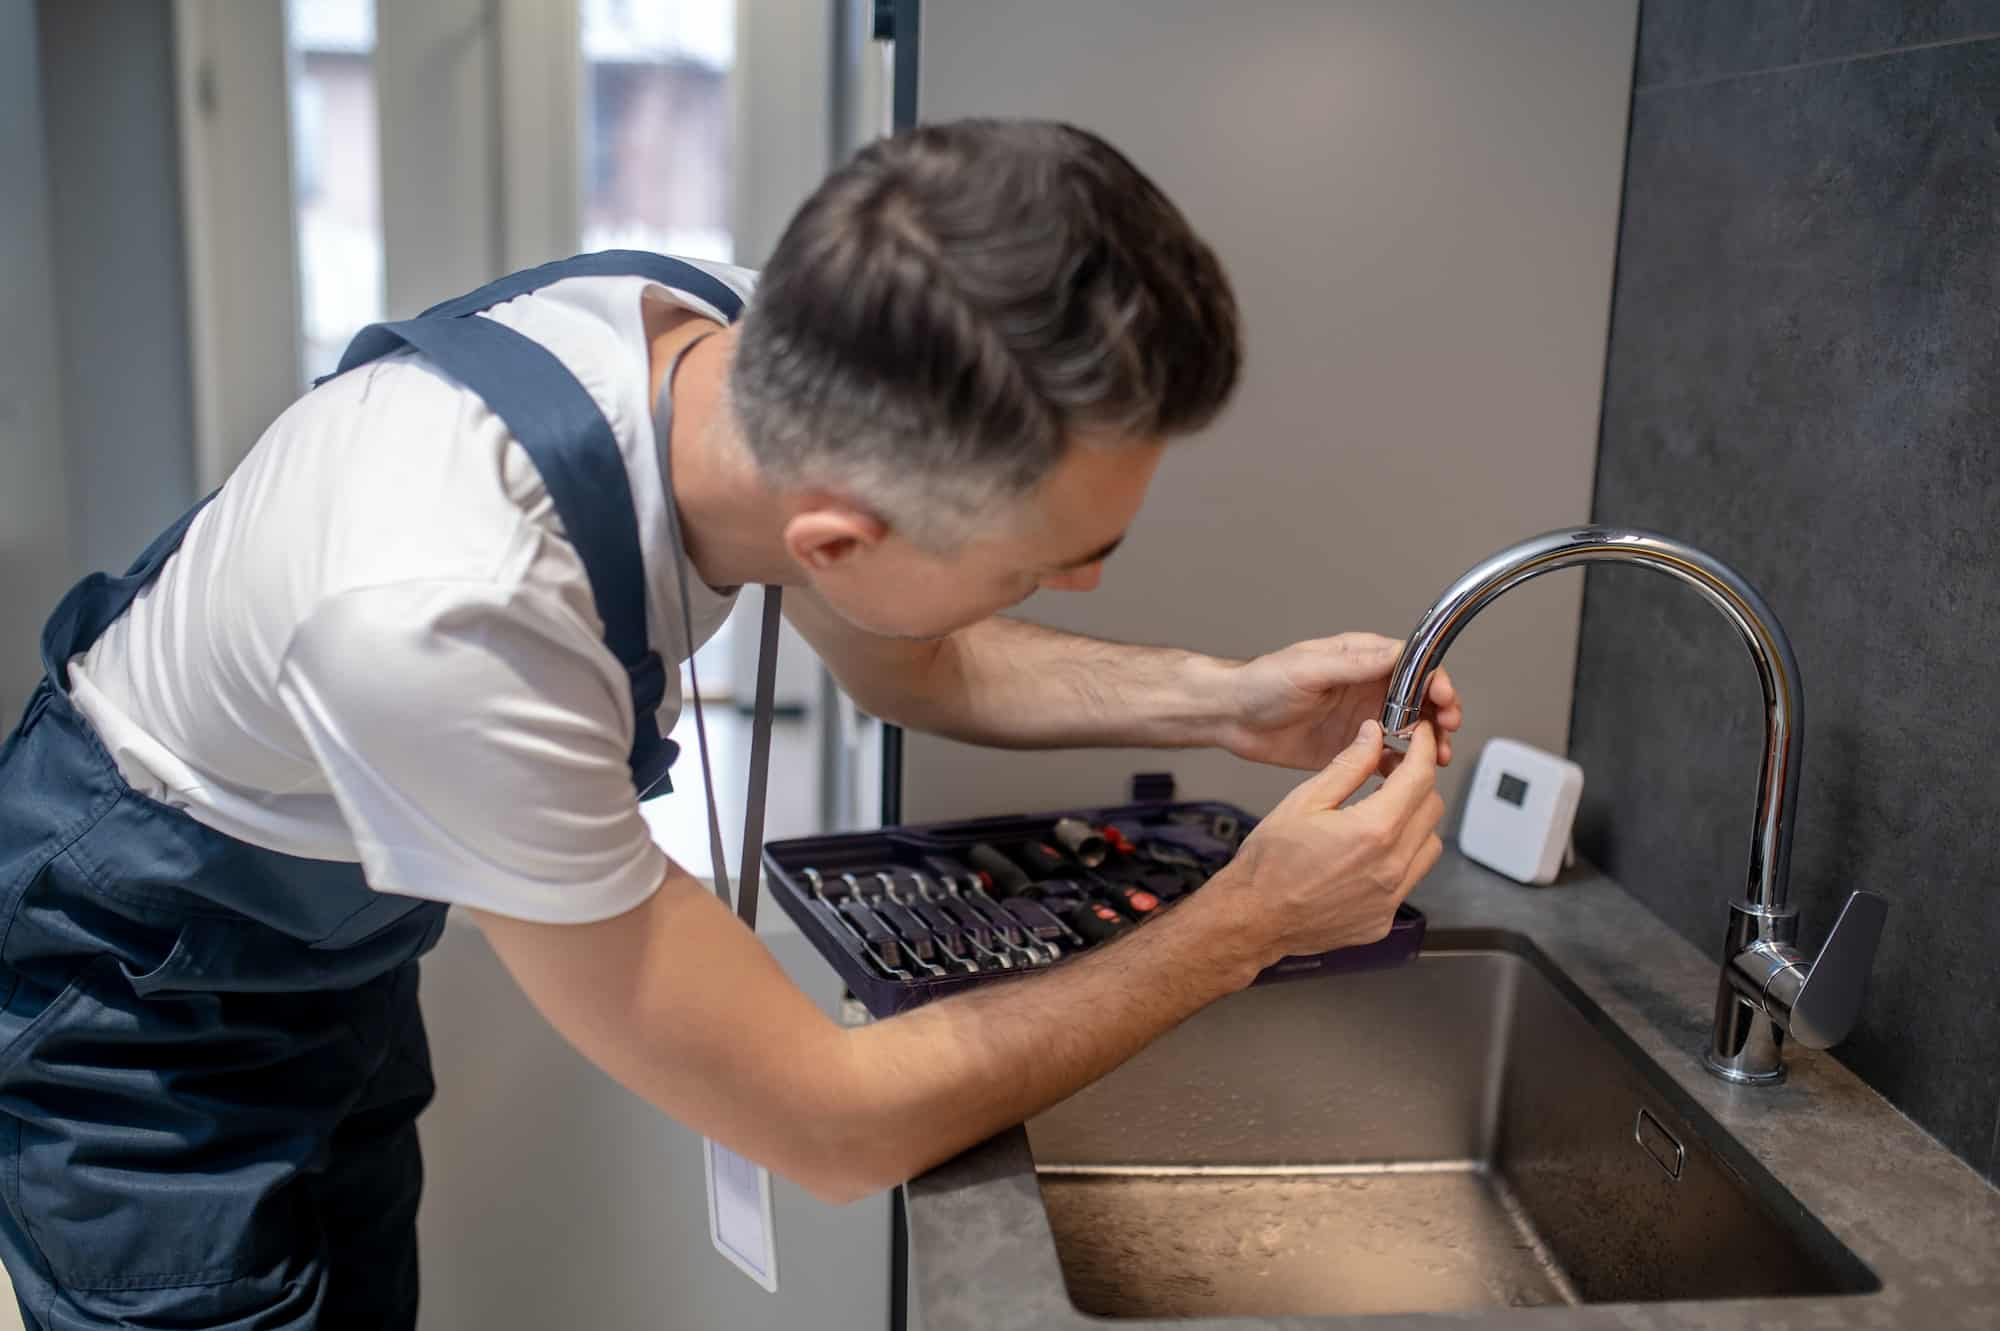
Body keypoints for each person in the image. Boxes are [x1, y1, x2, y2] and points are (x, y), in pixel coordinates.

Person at [0, 119, 1457, 1328]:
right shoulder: (449, 618)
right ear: (830, 539)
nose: (1076, 583)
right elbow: (828, 1120)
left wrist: (1223, 699)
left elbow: (912, 663)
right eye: (1045, 563)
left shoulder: (752, 337)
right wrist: (1247, 923)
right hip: (142, 999)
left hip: (330, 931)